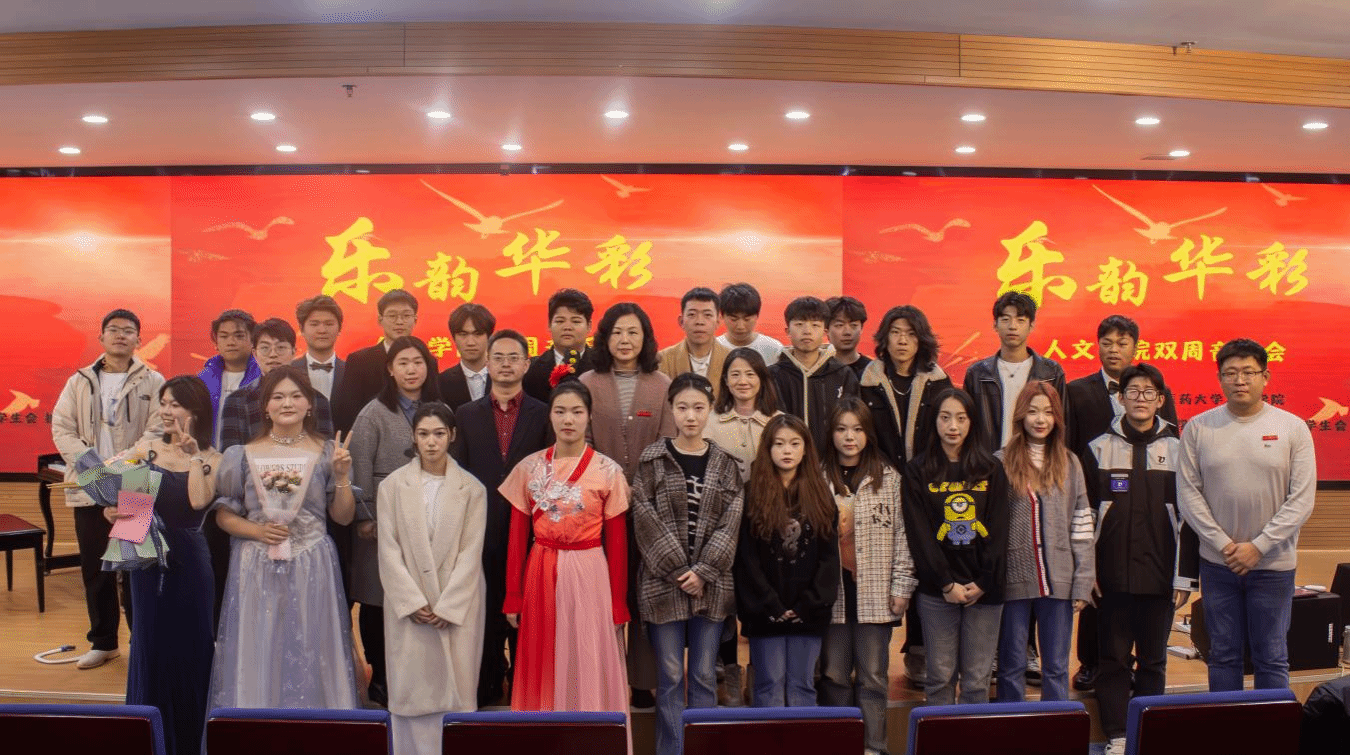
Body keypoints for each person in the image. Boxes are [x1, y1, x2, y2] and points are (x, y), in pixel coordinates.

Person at [208, 366, 361, 709]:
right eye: (277, 397)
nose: (287, 403)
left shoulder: (328, 452)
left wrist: (341, 477)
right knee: (260, 648)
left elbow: (343, 517)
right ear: (265, 407)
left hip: (313, 564)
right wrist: (257, 531)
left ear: (310, 405)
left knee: (313, 647)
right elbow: (224, 515)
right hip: (256, 566)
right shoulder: (242, 454)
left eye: (295, 396)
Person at [1179, 339, 1316, 692]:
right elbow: (1189, 494)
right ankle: (1226, 723)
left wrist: (1259, 546)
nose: (1239, 380)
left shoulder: (1292, 427)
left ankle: (1271, 725)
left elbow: (1301, 499)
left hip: (1273, 566)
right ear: (1219, 378)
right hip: (1218, 564)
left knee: (1271, 654)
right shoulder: (1199, 427)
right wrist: (1224, 545)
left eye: (1248, 372)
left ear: (1265, 377)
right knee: (1223, 654)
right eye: (1231, 373)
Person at [1082, 363, 1199, 755]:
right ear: (1121, 398)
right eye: (1133, 391)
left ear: (1160, 400)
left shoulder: (1179, 450)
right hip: (1109, 578)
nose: (1141, 398)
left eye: (1149, 392)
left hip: (1160, 576)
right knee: (1113, 660)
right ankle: (1118, 735)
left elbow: (1189, 518)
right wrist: (1086, 571)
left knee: (1153, 661)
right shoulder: (1098, 448)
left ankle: (1145, 733)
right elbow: (1084, 516)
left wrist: (1184, 578)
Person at [500, 382, 631, 716]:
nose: (568, 419)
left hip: (590, 568)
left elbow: (618, 544)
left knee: (588, 653)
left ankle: (590, 731)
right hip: (541, 567)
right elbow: (517, 537)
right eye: (560, 411)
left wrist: (618, 603)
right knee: (542, 656)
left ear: (589, 416)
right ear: (550, 416)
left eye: (576, 411)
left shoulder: (608, 471)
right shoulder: (529, 468)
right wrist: (513, 595)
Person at [632, 374, 744, 755]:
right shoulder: (652, 459)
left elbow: (731, 522)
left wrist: (704, 572)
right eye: (682, 408)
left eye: (698, 408)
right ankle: (671, 749)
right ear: (671, 410)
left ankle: (700, 747)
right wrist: (681, 571)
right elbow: (644, 518)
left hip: (712, 588)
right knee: (669, 677)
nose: (691, 416)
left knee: (703, 675)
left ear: (710, 409)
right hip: (663, 586)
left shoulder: (725, 464)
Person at [1064, 315, 1177, 692]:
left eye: (1123, 342)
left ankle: (1132, 670)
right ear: (1097, 345)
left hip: (1145, 500)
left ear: (1135, 347)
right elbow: (1070, 445)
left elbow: (1171, 440)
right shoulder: (1077, 390)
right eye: (1107, 342)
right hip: (1098, 490)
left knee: (1136, 607)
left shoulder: (1157, 389)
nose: (1114, 349)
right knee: (1098, 587)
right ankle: (1090, 663)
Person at [51, 308, 164, 669]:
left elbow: (158, 430)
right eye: (113, 330)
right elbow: (62, 428)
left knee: (135, 568)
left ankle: (142, 641)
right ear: (101, 337)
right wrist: (96, 470)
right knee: (96, 567)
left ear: (139, 339)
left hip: (135, 484)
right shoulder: (79, 381)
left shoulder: (154, 381)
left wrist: (122, 467)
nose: (120, 335)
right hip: (89, 485)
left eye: (128, 331)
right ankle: (103, 643)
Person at [112, 376, 219, 755]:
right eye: (164, 403)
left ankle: (192, 740)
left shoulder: (214, 457)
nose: (166, 411)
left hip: (191, 563)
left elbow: (197, 502)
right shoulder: (146, 449)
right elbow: (129, 511)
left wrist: (194, 455)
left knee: (193, 647)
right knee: (149, 644)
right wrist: (116, 510)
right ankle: (148, 737)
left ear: (196, 411)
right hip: (147, 564)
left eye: (176, 404)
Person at [579, 302, 675, 710]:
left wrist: (639, 490)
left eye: (633, 332)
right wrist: (608, 486)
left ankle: (641, 680)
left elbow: (667, 444)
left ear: (645, 338)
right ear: (604, 337)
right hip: (595, 509)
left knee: (642, 594)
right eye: (617, 332)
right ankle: (601, 676)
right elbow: (580, 442)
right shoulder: (587, 382)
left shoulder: (662, 384)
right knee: (601, 593)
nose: (625, 340)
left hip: (648, 508)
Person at [378, 402, 487, 755]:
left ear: (452, 435)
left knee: (456, 698)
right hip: (410, 605)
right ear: (413, 436)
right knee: (411, 693)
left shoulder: (472, 488)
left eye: (439, 433)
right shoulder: (392, 486)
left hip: (457, 605)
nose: (431, 442)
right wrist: (411, 601)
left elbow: (471, 552)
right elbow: (388, 550)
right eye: (423, 434)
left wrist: (448, 606)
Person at [453, 329, 551, 708]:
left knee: (528, 618)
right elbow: (458, 475)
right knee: (486, 615)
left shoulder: (544, 413)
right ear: (487, 364)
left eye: (514, 357)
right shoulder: (466, 415)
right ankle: (489, 685)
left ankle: (526, 689)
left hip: (531, 536)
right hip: (481, 533)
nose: (506, 364)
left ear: (526, 364)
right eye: (499, 357)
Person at [857, 305, 951, 689]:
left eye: (910, 334)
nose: (902, 341)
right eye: (895, 332)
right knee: (883, 565)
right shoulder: (868, 381)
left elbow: (946, 433)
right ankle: (871, 660)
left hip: (927, 487)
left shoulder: (939, 382)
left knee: (926, 564)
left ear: (921, 339)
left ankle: (919, 650)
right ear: (884, 338)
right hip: (881, 485)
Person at [349, 336, 443, 706]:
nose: (411, 369)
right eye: (403, 362)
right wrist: (366, 517)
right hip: (381, 526)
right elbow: (359, 466)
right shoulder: (373, 413)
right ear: (390, 369)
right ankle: (381, 678)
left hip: (428, 523)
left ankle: (418, 675)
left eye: (418, 362)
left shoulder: (439, 409)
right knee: (379, 602)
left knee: (421, 598)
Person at [819, 398, 915, 755]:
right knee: (834, 675)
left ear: (868, 433)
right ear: (831, 433)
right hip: (831, 596)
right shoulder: (817, 476)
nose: (850, 437)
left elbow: (904, 538)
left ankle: (874, 747)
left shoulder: (889, 479)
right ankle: (840, 745)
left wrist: (901, 586)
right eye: (842, 429)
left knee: (873, 677)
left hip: (875, 595)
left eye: (857, 429)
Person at [902, 388, 1009, 706]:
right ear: (933, 421)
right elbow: (920, 534)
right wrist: (946, 582)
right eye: (945, 417)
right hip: (938, 591)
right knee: (939, 678)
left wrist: (984, 581)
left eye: (961, 418)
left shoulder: (991, 468)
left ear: (971, 422)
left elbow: (999, 529)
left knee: (977, 681)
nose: (953, 426)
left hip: (985, 590)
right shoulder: (918, 470)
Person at [994, 382, 1095, 703]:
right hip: (1013, 577)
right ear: (1020, 416)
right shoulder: (1000, 461)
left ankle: (1056, 726)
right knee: (1011, 665)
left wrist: (1083, 580)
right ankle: (1011, 725)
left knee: (1055, 666)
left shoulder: (1070, 462)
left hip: (1060, 579)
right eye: (1033, 411)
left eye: (1048, 412)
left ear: (1057, 418)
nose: (1040, 419)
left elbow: (1082, 524)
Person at [734, 413, 840, 707]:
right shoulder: (752, 493)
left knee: (802, 685)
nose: (787, 451)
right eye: (779, 444)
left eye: (794, 443)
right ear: (768, 449)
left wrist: (808, 604)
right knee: (768, 684)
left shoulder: (820, 495)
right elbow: (746, 559)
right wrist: (771, 604)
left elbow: (829, 559)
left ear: (806, 449)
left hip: (809, 611)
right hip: (765, 610)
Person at [702, 346, 782, 706]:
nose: (743, 380)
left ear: (762, 378)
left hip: (768, 526)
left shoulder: (779, 421)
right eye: (735, 374)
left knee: (760, 595)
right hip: (722, 526)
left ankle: (759, 672)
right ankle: (730, 670)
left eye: (750, 373)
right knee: (725, 600)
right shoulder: (712, 422)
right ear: (725, 380)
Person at [962, 292, 1066, 453]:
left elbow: (1061, 422)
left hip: (1037, 460)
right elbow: (967, 423)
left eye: (1020, 320)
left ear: (1031, 325)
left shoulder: (1051, 373)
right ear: (995, 325)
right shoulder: (977, 374)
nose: (1012, 326)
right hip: (989, 460)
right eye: (1005, 319)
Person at [219, 318, 335, 451]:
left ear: (294, 352)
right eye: (265, 348)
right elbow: (230, 456)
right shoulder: (236, 400)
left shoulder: (317, 399)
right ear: (255, 353)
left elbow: (326, 454)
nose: (273, 355)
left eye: (281, 348)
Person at [334, 289, 438, 433]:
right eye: (392, 316)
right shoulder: (359, 361)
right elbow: (348, 413)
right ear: (380, 319)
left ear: (415, 319)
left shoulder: (428, 361)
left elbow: (434, 403)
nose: (399, 322)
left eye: (406, 315)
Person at [769, 296, 860, 452]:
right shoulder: (772, 375)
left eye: (815, 325)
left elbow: (854, 423)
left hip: (831, 460)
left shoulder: (843, 374)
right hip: (787, 459)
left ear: (825, 332)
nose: (807, 331)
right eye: (799, 324)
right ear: (787, 331)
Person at [199, 309, 260, 449]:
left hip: (252, 456)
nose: (231, 342)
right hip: (209, 457)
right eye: (224, 336)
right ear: (216, 341)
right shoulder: (203, 380)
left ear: (253, 340)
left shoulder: (263, 378)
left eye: (239, 336)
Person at [522, 288, 596, 402]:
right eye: (560, 321)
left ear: (589, 326)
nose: (567, 327)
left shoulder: (602, 367)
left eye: (576, 321)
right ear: (549, 324)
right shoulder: (529, 370)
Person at [658, 287, 731, 394]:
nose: (699, 322)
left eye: (707, 315)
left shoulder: (731, 359)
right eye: (692, 314)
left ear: (717, 322)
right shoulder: (662, 360)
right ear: (681, 321)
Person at [438, 302, 495, 411]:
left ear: (489, 336)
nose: (470, 342)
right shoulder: (440, 383)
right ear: (454, 338)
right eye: (463, 334)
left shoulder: (507, 377)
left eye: (478, 334)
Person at [294, 294, 346, 401]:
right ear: (302, 329)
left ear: (339, 328)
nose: (322, 330)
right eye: (314, 324)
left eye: (329, 324)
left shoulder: (352, 372)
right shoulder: (289, 371)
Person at [716, 282, 783, 364]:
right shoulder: (713, 349)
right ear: (722, 316)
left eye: (747, 319)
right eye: (734, 319)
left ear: (757, 316)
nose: (740, 326)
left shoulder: (774, 349)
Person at [826, 296, 872, 380]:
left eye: (853, 325)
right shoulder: (817, 370)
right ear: (826, 330)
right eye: (839, 325)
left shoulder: (873, 370)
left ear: (861, 329)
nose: (847, 332)